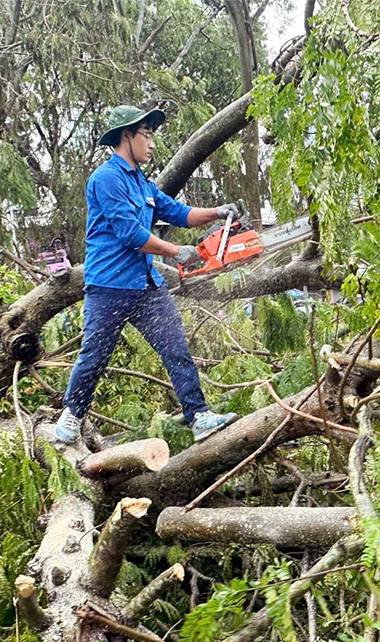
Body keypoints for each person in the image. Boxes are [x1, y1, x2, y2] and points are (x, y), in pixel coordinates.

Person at [53, 104, 238, 448]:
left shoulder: (143, 184)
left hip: (146, 286)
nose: (152, 144)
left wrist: (216, 211)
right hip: (109, 286)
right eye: (147, 136)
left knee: (176, 348)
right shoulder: (106, 179)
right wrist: (176, 251)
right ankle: (71, 416)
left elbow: (178, 212)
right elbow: (130, 234)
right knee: (94, 356)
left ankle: (198, 416)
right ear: (127, 136)